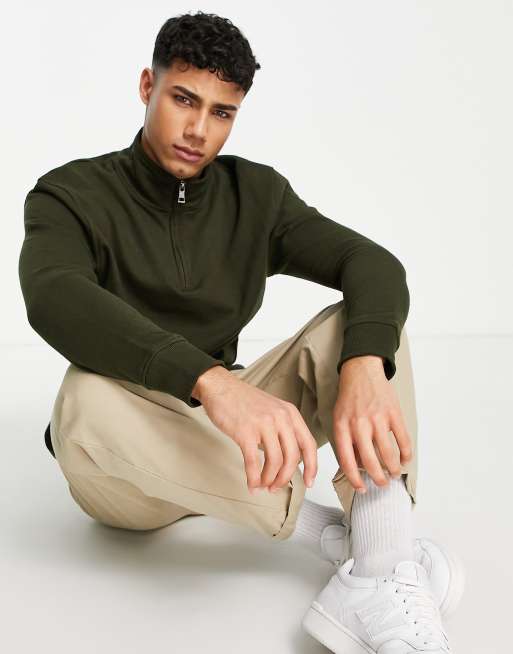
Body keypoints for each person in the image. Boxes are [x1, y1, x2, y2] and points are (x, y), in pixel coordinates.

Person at [19, 10, 464, 653]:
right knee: (81, 401)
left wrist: (366, 366)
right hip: (127, 467)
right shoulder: (70, 195)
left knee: (363, 330)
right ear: (147, 86)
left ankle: (379, 567)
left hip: (230, 441)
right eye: (183, 100)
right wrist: (212, 383)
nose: (198, 130)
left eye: (222, 112)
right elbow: (53, 295)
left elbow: (372, 264)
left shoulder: (254, 195)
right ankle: (353, 538)